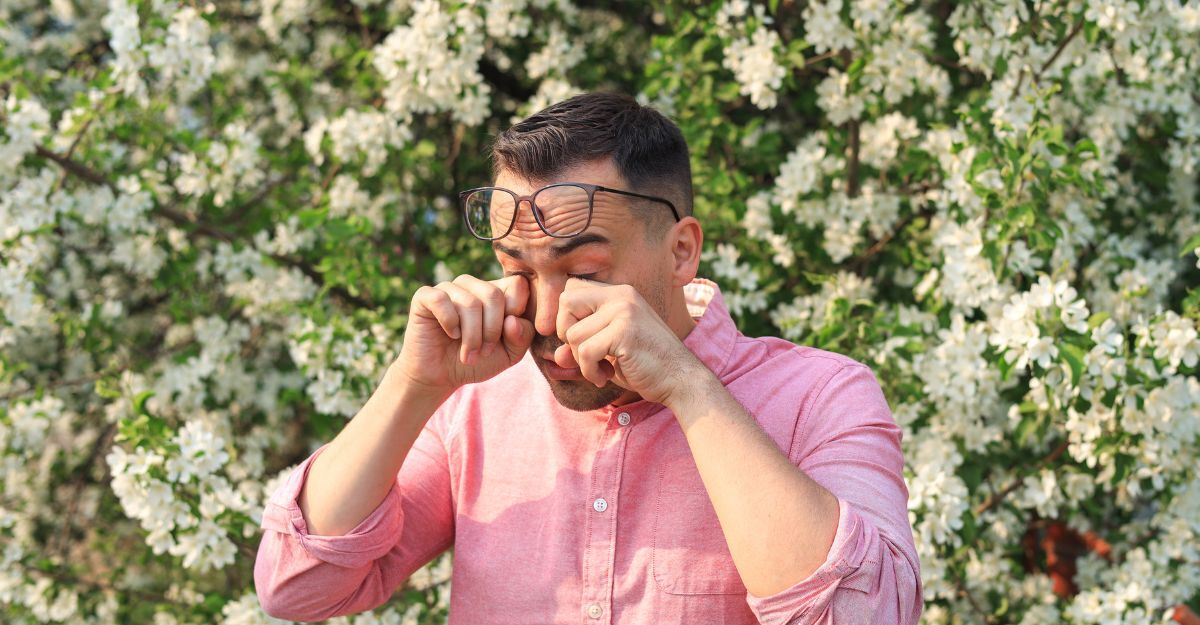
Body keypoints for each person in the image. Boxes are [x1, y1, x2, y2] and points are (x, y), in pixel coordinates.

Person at [254, 92, 922, 624]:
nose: (546, 318)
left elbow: (866, 613)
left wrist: (691, 390)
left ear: (682, 250)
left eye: (587, 272)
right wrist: (413, 384)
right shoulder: (475, 403)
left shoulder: (822, 395)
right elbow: (297, 585)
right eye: (517, 268)